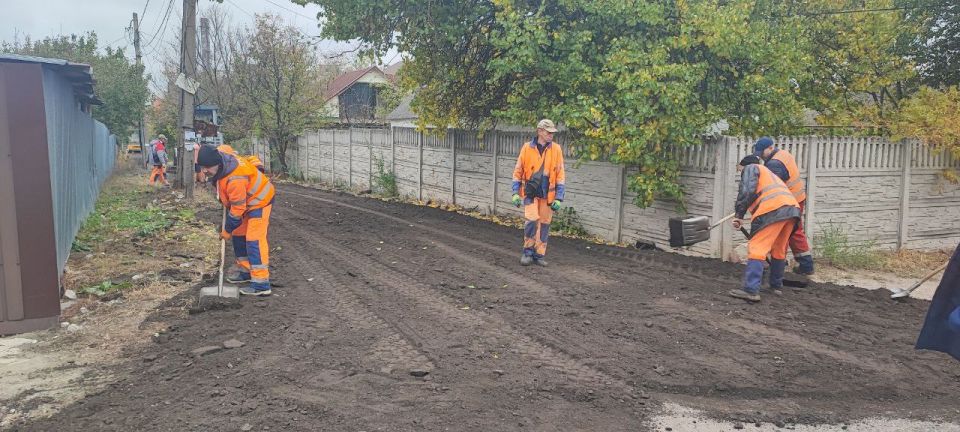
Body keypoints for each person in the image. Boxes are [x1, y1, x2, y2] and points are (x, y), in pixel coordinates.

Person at [196, 145, 276, 296]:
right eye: (203, 167)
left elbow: (237, 210)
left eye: (207, 167)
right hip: (246, 202)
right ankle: (245, 270)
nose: (205, 171)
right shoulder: (223, 157)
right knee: (239, 234)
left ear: (218, 163)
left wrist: (226, 230)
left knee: (254, 240)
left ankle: (261, 284)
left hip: (260, 202)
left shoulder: (235, 178)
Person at [729, 155, 801, 302]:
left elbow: (746, 191)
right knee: (778, 249)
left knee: (757, 247)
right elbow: (760, 197)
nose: (741, 174)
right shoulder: (769, 174)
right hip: (792, 210)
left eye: (739, 170)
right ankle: (775, 286)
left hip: (774, 210)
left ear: (743, 166)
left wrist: (739, 215)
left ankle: (751, 290)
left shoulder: (751, 168)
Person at [754, 137, 814, 275]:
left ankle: (778, 266)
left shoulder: (775, 164)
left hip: (787, 202)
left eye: (762, 153)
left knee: (782, 232)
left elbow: (770, 186)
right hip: (797, 198)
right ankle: (806, 265)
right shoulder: (783, 154)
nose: (761, 157)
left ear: (770, 148)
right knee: (794, 231)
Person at [511, 119, 566, 266]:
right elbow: (518, 171)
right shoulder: (527, 148)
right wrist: (515, 192)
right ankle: (527, 252)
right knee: (531, 220)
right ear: (540, 131)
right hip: (530, 193)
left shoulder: (556, 149)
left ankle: (539, 255)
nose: (551, 135)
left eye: (552, 133)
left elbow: (560, 174)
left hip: (548, 195)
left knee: (545, 224)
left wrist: (559, 197)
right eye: (548, 132)